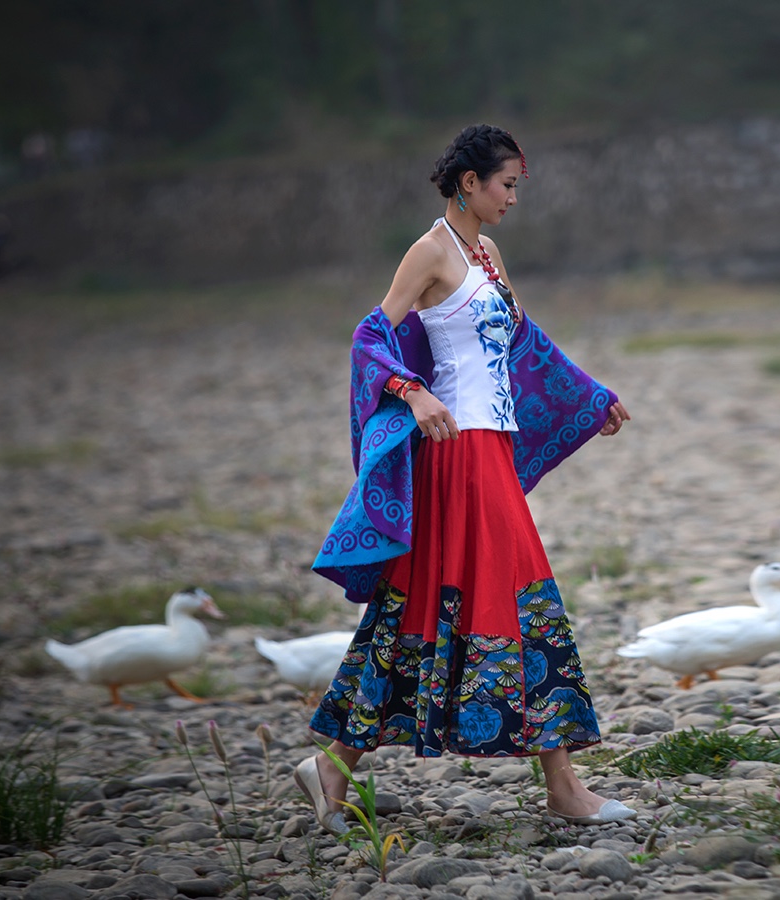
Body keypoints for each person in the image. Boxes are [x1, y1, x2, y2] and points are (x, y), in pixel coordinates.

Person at [296, 125, 635, 834]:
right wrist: (414, 394)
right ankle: (563, 787)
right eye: (506, 184)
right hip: (455, 455)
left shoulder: (488, 252)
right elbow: (369, 337)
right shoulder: (428, 253)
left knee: (419, 609)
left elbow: (522, 342)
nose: (513, 197)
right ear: (469, 183)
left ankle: (333, 767)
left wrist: (589, 396)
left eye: (516, 185)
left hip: (492, 454)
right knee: (519, 597)